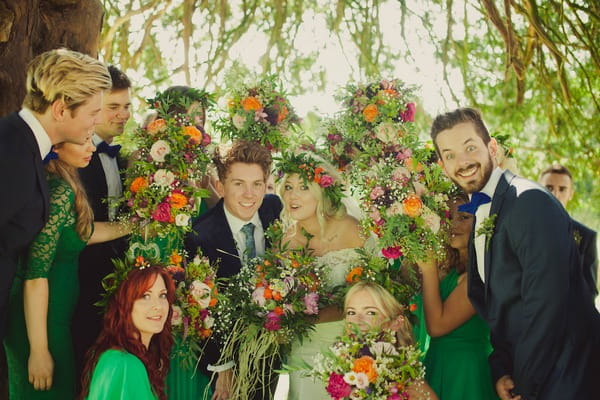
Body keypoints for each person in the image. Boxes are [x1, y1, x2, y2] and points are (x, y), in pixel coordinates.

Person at [430, 107, 599, 400]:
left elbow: (547, 306)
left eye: (470, 147)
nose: (463, 161)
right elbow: (499, 311)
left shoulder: (528, 201)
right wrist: (502, 371)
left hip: (566, 379)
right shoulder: (481, 213)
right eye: (450, 154)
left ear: (492, 148)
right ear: (443, 165)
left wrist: (526, 384)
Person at [3, 137, 132, 399]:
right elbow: (35, 276)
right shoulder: (58, 191)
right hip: (40, 324)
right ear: (56, 146)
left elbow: (79, 234)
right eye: (83, 141)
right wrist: (39, 350)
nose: (92, 148)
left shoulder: (59, 181)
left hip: (52, 320)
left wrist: (136, 224)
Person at [0, 48, 111, 339]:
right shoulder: (12, 150)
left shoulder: (24, 146)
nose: (95, 123)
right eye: (92, 113)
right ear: (61, 110)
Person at [185, 140, 282, 400]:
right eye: (239, 184)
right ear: (220, 186)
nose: (249, 194)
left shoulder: (276, 210)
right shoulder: (200, 236)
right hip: (225, 361)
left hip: (272, 351)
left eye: (257, 184)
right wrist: (223, 368)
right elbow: (201, 309)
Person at [277, 152, 365, 400]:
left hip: (351, 346)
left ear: (320, 191)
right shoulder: (287, 242)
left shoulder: (351, 229)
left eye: (303, 188)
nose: (292, 196)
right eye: (289, 187)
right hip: (304, 351)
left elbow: (375, 291)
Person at [73, 65, 132, 388]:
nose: (123, 115)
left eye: (127, 106)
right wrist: (133, 225)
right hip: (82, 287)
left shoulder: (120, 158)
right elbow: (78, 230)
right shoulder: (76, 156)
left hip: (115, 288)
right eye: (113, 107)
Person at [415, 192, 498, 400]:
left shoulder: (480, 274)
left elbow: (436, 326)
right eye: (448, 217)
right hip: (438, 362)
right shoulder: (454, 270)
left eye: (463, 217)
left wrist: (428, 269)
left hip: (465, 372)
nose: (453, 224)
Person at [80, 265, 175, 400]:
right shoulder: (123, 363)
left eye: (162, 295)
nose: (158, 305)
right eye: (145, 296)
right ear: (124, 304)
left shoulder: (134, 359)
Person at [344, 281, 438, 400]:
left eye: (370, 312)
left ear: (395, 323)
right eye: (351, 312)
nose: (357, 321)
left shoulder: (404, 380)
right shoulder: (343, 368)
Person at [539, 164, 598, 295]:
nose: (555, 194)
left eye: (562, 189)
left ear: (571, 194)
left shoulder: (587, 237)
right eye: (549, 188)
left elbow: (590, 291)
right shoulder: (520, 229)